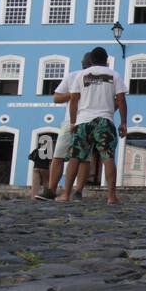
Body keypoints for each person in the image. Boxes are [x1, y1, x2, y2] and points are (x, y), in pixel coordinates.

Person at [57, 46, 126, 205]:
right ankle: (111, 197)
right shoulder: (114, 75)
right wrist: (123, 122)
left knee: (75, 157)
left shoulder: (80, 75)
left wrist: (73, 122)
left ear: (91, 61)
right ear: (107, 60)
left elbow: (73, 100)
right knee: (108, 157)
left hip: (84, 121)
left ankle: (66, 194)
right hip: (105, 121)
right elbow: (121, 100)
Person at [42, 53, 92, 200]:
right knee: (59, 155)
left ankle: (78, 191)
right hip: (70, 119)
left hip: (87, 120)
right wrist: (72, 95)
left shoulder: (99, 79)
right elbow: (56, 97)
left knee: (84, 158)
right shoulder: (72, 77)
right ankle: (51, 190)